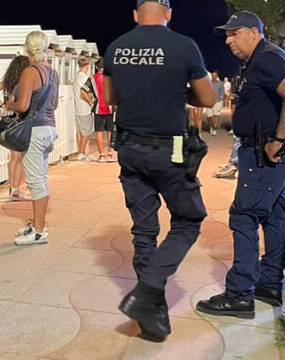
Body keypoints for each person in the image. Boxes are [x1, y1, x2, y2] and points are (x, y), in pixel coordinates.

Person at [103, 0, 216, 341]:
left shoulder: (116, 47)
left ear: (135, 14)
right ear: (168, 13)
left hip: (129, 148)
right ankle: (148, 290)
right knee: (188, 220)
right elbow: (208, 99)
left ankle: (153, 316)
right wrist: (176, 91)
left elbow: (110, 98)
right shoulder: (183, 46)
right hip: (170, 150)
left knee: (144, 231)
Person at [196, 11, 285, 319]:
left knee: (243, 217)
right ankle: (269, 283)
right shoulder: (264, 57)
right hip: (264, 154)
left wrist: (277, 140)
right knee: (273, 216)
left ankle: (239, 294)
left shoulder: (267, 58)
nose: (229, 40)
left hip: (264, 154)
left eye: (235, 33)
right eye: (227, 35)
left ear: (254, 33)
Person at [4, 31, 59, 246]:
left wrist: (9, 104)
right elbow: (53, 103)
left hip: (35, 131)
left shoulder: (30, 71)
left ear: (27, 48)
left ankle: (38, 231)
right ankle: (38, 223)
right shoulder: (52, 72)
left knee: (36, 182)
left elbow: (23, 105)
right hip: (49, 128)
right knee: (41, 179)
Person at [0, 55, 31, 201]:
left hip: (11, 121)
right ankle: (16, 190)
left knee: (13, 157)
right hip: (20, 120)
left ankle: (13, 188)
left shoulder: (9, 82)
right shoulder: (22, 83)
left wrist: (2, 105)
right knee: (19, 157)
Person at [92, 57, 116, 163]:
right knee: (110, 130)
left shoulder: (93, 78)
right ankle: (110, 154)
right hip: (109, 106)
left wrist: (90, 101)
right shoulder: (110, 77)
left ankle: (101, 155)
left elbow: (84, 90)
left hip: (98, 107)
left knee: (99, 131)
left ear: (97, 67)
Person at [73, 56, 95, 161]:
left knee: (81, 131)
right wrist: (90, 101)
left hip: (78, 107)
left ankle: (81, 152)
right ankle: (81, 153)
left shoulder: (78, 76)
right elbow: (83, 93)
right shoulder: (84, 77)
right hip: (84, 108)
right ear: (87, 66)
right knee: (86, 131)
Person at [207, 71, 225, 136]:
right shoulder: (208, 82)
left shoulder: (220, 83)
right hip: (209, 101)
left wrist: (223, 100)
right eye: (212, 75)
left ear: (217, 76)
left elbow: (223, 93)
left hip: (217, 101)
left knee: (216, 115)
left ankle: (214, 128)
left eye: (215, 75)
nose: (213, 76)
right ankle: (211, 126)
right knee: (209, 116)